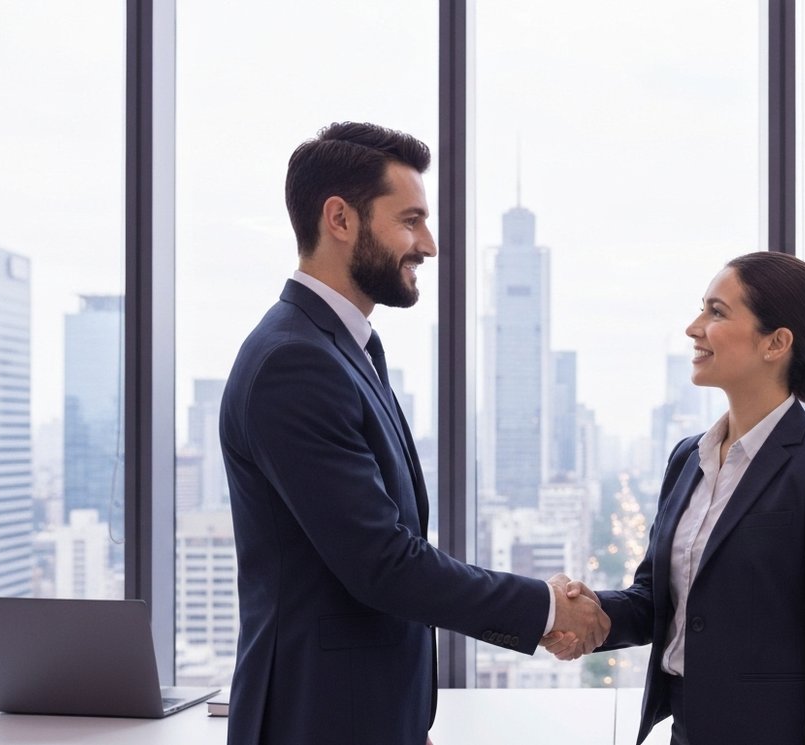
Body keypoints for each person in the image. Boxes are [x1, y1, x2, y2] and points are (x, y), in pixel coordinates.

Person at [219, 122, 608, 745]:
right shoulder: (294, 363)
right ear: (340, 219)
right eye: (410, 220)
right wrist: (545, 607)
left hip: (362, 715)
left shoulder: (340, 349)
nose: (428, 244)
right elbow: (382, 564)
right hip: (316, 720)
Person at [544, 252, 805, 745]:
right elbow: (657, 601)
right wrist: (583, 613)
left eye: (716, 312)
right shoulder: (688, 459)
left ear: (776, 343)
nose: (693, 328)